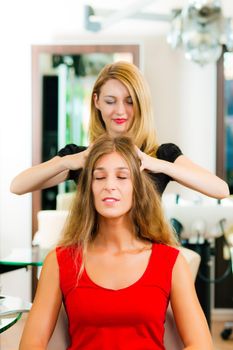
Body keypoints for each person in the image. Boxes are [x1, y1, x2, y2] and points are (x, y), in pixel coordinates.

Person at [19, 135, 213, 350]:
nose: (109, 185)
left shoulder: (171, 262)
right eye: (99, 177)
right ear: (88, 190)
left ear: (138, 189)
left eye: (122, 177)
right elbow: (31, 344)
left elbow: (200, 344)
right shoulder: (59, 261)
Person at [10, 61, 229, 199]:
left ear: (141, 103)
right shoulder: (80, 157)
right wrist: (67, 161)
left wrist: (158, 165)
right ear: (96, 101)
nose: (120, 111)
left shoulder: (161, 154)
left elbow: (220, 189)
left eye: (130, 101)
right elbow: (17, 186)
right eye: (110, 101)